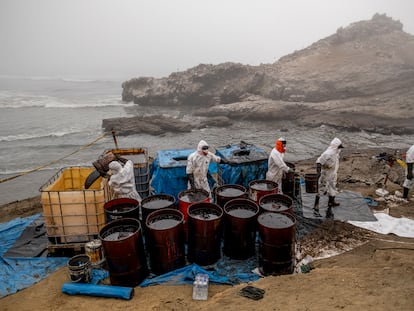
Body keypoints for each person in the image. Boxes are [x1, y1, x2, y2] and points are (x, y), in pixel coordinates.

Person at [313, 137, 344, 218]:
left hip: (333, 173)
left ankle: (331, 202)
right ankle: (316, 205)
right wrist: (318, 173)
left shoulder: (336, 153)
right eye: (339, 147)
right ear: (335, 146)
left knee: (333, 188)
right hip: (326, 174)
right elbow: (319, 162)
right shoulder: (327, 153)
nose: (340, 149)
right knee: (321, 189)